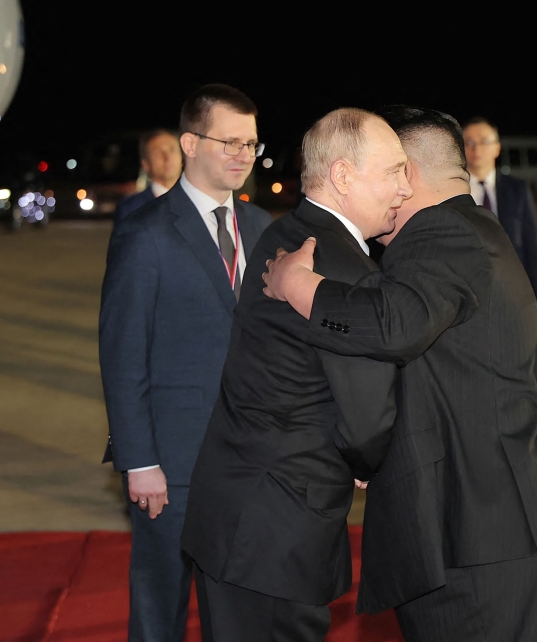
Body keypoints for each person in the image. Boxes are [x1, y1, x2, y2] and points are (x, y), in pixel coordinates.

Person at [262, 106, 537, 642]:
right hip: (500, 525)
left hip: (479, 533)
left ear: (407, 173)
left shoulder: (443, 232)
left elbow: (392, 327)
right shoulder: (474, 230)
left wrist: (296, 284)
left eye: (387, 170)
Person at [181, 108, 409, 642]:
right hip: (276, 528)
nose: (404, 187)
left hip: (237, 509)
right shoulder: (346, 270)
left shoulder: (284, 233)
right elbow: (367, 414)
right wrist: (367, 459)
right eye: (394, 171)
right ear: (343, 176)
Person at [98, 84, 273, 642]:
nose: (243, 155)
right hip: (173, 463)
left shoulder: (262, 227)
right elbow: (123, 356)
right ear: (190, 143)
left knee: (240, 610)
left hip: (250, 459)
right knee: (161, 605)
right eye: (230, 142)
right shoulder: (145, 233)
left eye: (251, 144)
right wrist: (139, 460)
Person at [462, 117, 537, 335]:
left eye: (484, 141)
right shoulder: (453, 191)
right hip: (464, 298)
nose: (476, 149)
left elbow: (531, 248)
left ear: (497, 148)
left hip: (510, 295)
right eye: (469, 142)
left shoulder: (517, 189)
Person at [114, 128, 184, 221]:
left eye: (172, 150)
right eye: (158, 153)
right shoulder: (132, 208)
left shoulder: (200, 200)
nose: (167, 157)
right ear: (145, 164)